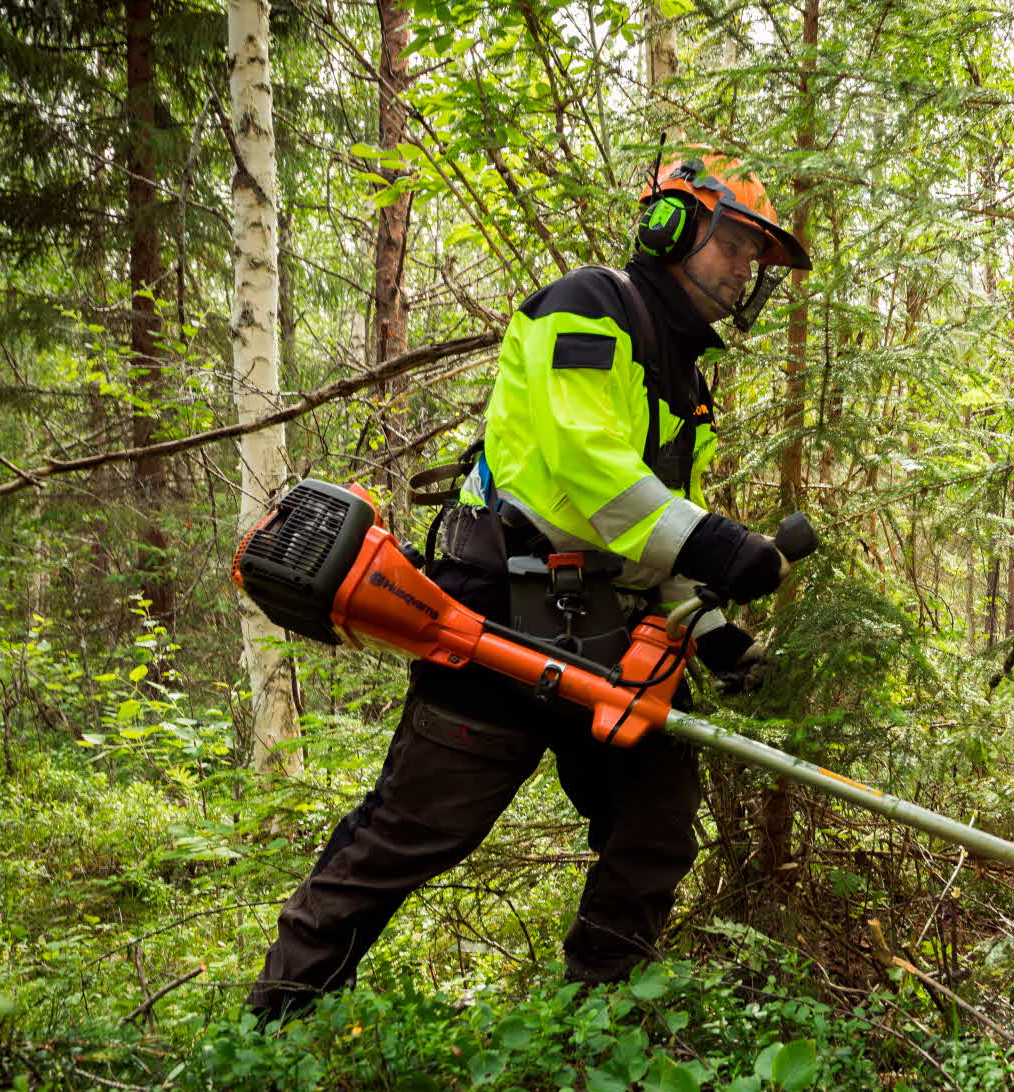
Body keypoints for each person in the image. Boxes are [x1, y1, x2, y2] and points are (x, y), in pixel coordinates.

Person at [247, 154, 812, 1018]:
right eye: (736, 245)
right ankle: (271, 1022)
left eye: (755, 260)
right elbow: (587, 474)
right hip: (496, 615)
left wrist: (703, 625)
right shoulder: (588, 307)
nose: (745, 270)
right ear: (675, 229)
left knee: (655, 822)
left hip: (607, 634)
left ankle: (599, 1022)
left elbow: (641, 535)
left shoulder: (683, 378)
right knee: (415, 832)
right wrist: (722, 544)